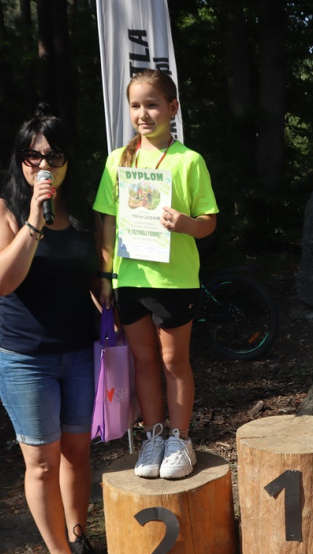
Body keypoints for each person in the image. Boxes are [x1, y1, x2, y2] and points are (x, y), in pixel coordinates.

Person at [0, 106, 99, 554]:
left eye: (54, 154)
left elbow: (92, 280)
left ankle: (78, 535)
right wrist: (32, 222)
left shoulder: (83, 213)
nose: (43, 164)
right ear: (20, 159)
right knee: (42, 463)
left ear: (69, 161)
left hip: (81, 352)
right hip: (27, 359)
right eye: (33, 155)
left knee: (77, 454)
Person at [93, 70, 218, 481]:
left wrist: (187, 224)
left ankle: (181, 439)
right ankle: (154, 435)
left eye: (152, 104)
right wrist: (107, 276)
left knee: (172, 361)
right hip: (130, 279)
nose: (143, 114)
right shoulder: (118, 160)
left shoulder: (190, 161)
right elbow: (107, 222)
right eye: (135, 106)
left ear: (172, 108)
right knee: (144, 361)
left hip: (175, 279)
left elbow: (209, 222)